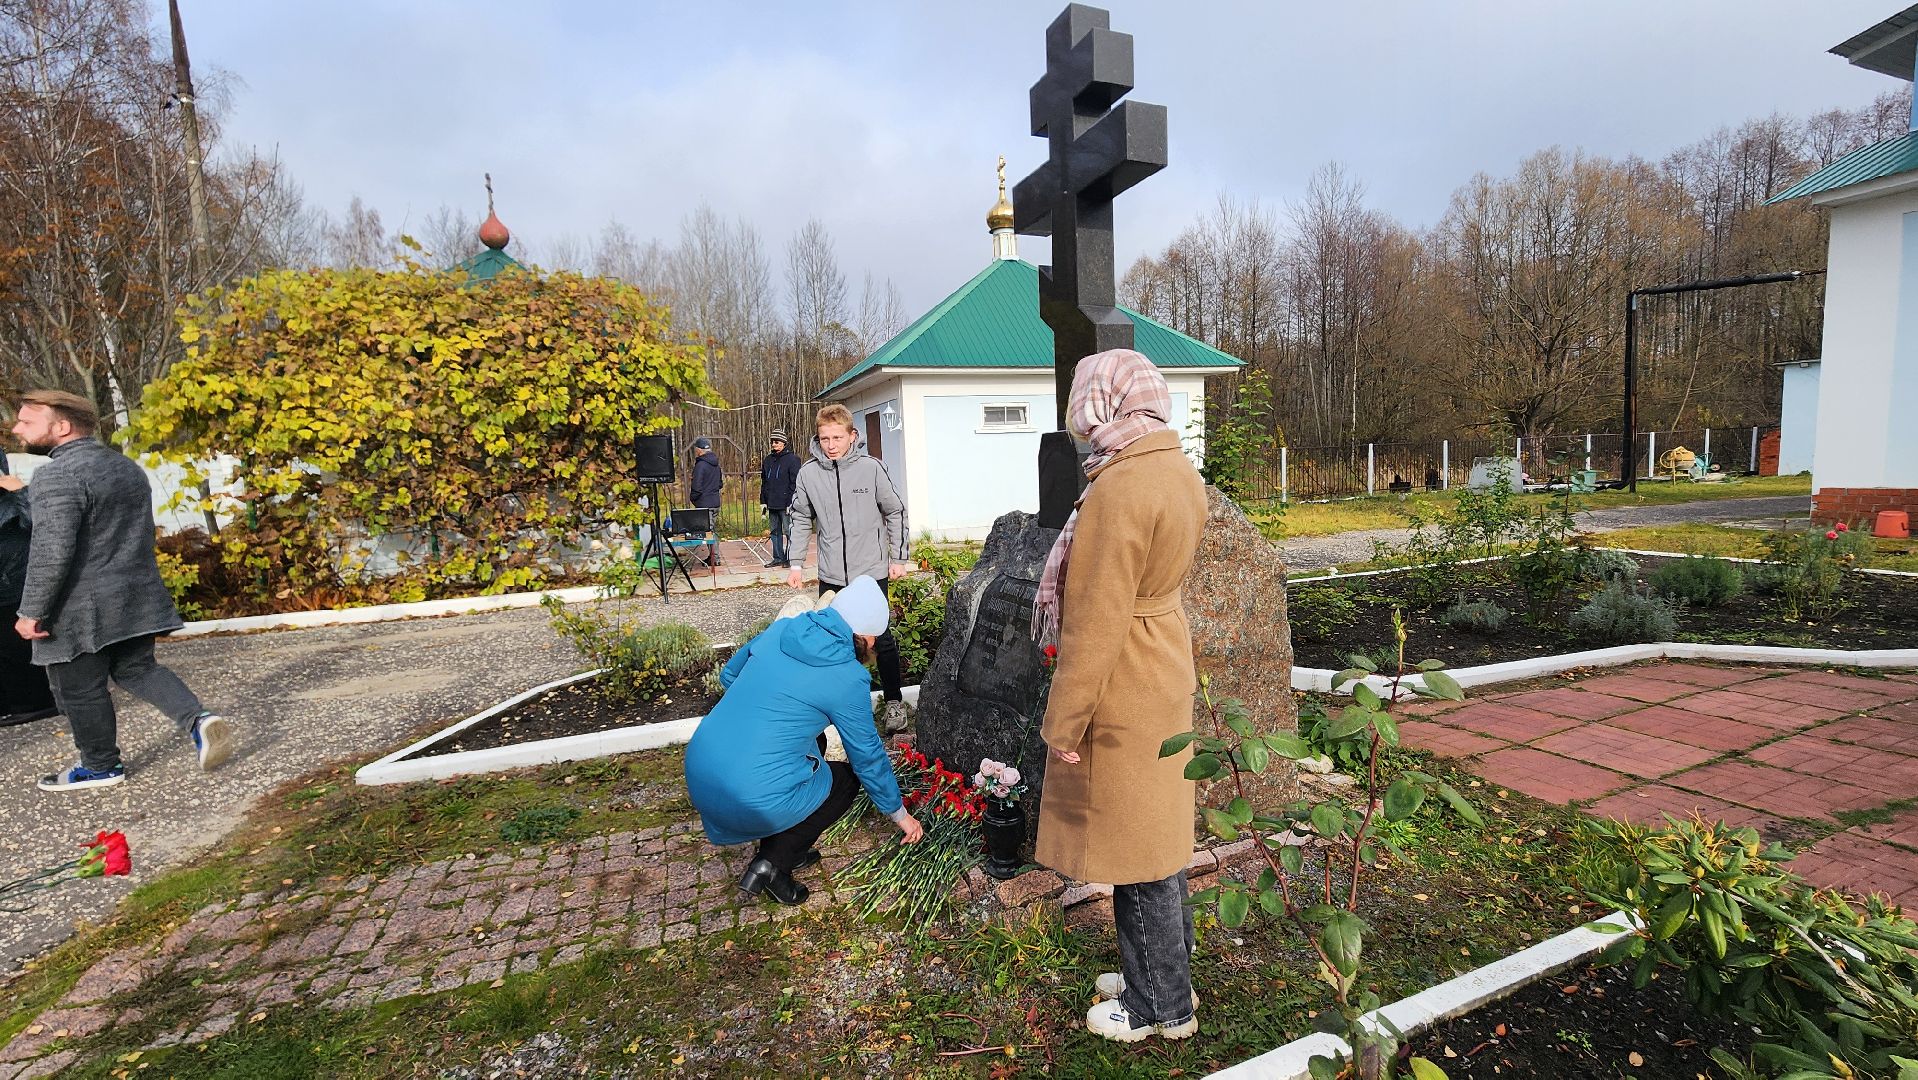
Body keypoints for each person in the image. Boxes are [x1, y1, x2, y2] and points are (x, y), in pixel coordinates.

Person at [1031, 349, 1207, 1043]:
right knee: (1159, 842)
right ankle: (1169, 976)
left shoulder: (1119, 487)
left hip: (1126, 678)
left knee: (1138, 852)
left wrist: (1063, 722)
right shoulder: (1176, 469)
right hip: (1162, 662)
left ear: (1100, 405)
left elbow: (1097, 622)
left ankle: (1157, 1006)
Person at [10, 390, 234, 791]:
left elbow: (52, 550)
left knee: (77, 688)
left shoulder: (56, 475)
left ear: (62, 427)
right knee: (138, 669)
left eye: (27, 421)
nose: (16, 428)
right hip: (133, 594)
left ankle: (99, 767)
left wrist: (31, 612)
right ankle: (198, 720)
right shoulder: (123, 466)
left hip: (78, 607)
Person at [684, 576, 923, 904]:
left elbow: (729, 676)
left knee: (816, 743)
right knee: (845, 781)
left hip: (699, 766)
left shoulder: (784, 630)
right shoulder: (847, 678)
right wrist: (900, 814)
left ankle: (789, 846)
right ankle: (773, 864)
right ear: (866, 637)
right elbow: (866, 756)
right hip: (746, 795)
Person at [786, 404, 912, 734]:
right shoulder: (808, 474)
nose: (831, 444)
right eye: (825, 438)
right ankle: (842, 709)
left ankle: (895, 703)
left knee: (879, 638)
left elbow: (895, 511)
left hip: (869, 573)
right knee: (835, 642)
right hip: (831, 575)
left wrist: (897, 558)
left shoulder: (871, 469)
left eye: (837, 437)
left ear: (852, 436)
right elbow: (800, 517)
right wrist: (796, 563)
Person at [0, 449, 57, 727]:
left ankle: (35, 702)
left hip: (12, 579)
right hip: (8, 578)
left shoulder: (15, 494)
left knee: (13, 643)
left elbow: (44, 521)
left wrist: (20, 490)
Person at [758, 428, 800, 569]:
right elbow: (764, 482)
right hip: (771, 503)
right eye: (772, 442)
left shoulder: (793, 460)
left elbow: (794, 483)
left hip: (785, 503)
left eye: (776, 442)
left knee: (788, 532)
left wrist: (790, 502)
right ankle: (778, 558)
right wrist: (763, 502)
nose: (774, 445)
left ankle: (790, 558)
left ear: (783, 443)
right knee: (774, 531)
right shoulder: (768, 460)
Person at [688, 436, 724, 567]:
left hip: (704, 504)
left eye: (695, 449)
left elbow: (696, 486)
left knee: (709, 532)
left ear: (699, 450)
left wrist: (694, 498)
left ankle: (715, 558)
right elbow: (720, 484)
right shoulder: (716, 465)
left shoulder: (700, 465)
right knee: (712, 530)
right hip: (715, 502)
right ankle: (713, 556)